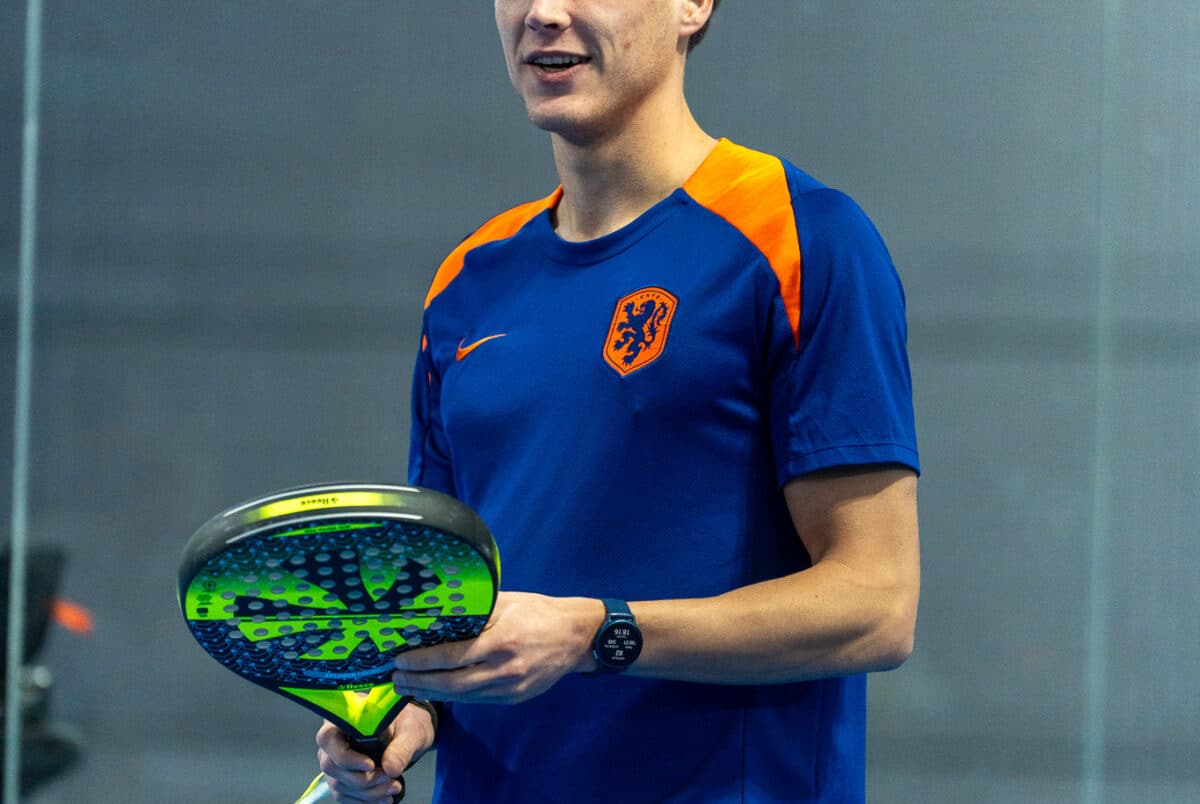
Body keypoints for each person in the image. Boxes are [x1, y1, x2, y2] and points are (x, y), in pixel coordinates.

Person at [316, 1, 920, 801]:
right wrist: (408, 711)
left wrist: (595, 634)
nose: (543, 13)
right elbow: (445, 610)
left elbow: (877, 605)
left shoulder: (802, 238)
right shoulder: (467, 281)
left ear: (693, 6)